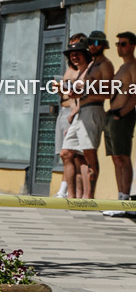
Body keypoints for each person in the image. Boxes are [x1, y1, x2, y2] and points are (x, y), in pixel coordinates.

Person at [60, 37, 112, 198]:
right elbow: (78, 94)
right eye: (71, 54)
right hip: (81, 113)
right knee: (66, 153)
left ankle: (88, 198)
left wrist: (83, 94)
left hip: (92, 111)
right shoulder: (83, 71)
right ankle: (71, 197)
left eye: (78, 53)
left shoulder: (100, 65)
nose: (74, 57)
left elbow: (108, 92)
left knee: (88, 154)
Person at [102, 30, 136, 217]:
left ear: (132, 46)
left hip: (122, 116)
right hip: (112, 115)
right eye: (118, 44)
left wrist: (121, 114)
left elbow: (134, 95)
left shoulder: (133, 66)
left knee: (123, 157)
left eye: (123, 44)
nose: (119, 47)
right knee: (116, 158)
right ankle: (120, 198)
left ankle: (126, 203)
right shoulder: (121, 68)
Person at [50, 33, 86, 197]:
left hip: (72, 113)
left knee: (70, 154)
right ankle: (66, 190)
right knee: (65, 154)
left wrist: (74, 114)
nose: (73, 53)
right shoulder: (69, 69)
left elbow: (80, 94)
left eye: (76, 46)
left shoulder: (82, 70)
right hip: (63, 111)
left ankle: (66, 191)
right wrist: (59, 90)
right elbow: (65, 94)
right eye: (71, 46)